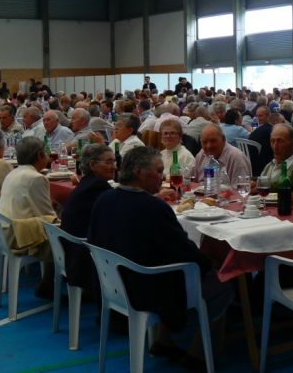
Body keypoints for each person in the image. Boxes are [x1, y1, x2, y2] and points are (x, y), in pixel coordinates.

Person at [88, 147, 233, 357]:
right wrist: (209, 263)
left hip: (112, 283)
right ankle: (200, 355)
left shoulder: (104, 199)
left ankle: (163, 340)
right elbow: (184, 252)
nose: (162, 177)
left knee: (165, 265)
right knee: (222, 283)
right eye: (158, 171)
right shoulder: (153, 208)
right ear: (139, 172)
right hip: (145, 289)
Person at [0, 136, 57, 298]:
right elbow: (48, 217)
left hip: (6, 230)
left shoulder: (14, 172)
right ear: (39, 155)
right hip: (18, 236)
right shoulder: (36, 178)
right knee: (67, 236)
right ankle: (54, 285)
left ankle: (49, 282)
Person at [60, 144, 115, 288]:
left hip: (72, 251)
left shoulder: (87, 183)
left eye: (114, 161)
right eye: (108, 162)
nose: (114, 166)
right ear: (93, 165)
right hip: (84, 259)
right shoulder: (98, 187)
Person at [248, 106, 273, 176]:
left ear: (268, 116)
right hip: (263, 167)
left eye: (261, 116)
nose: (258, 118)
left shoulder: (256, 132)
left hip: (251, 166)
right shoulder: (270, 131)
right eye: (257, 116)